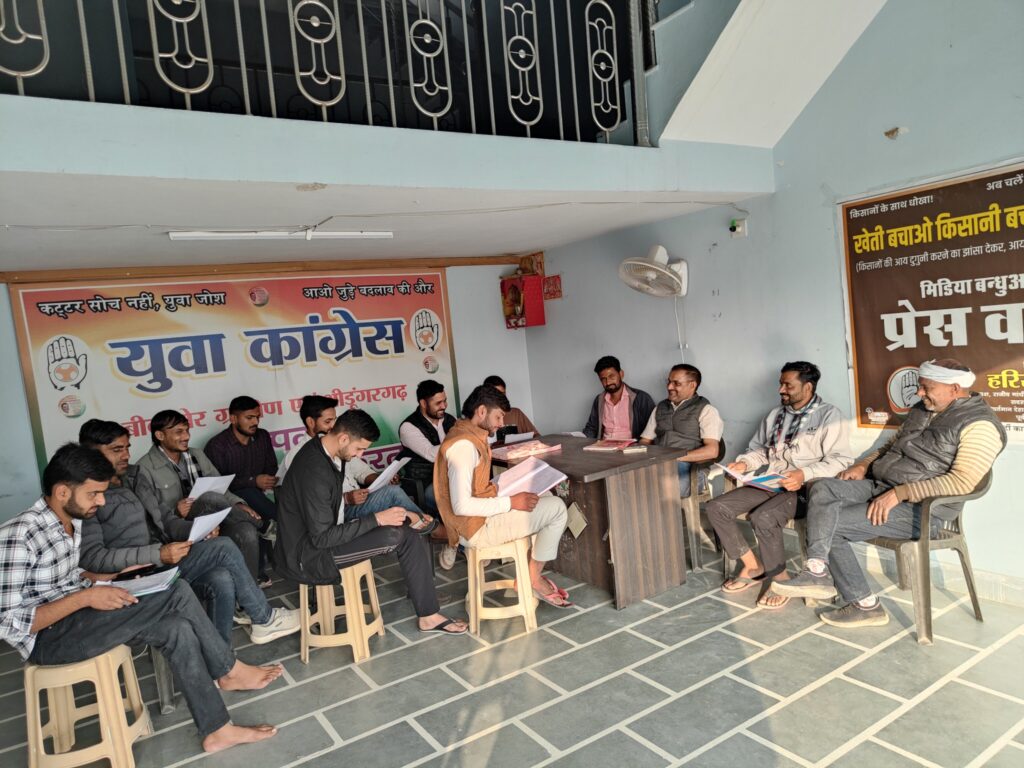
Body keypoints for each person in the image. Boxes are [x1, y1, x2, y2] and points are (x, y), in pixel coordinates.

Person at [0, 443, 284, 754]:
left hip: (80, 617)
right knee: (176, 591)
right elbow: (9, 623)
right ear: (62, 492)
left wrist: (107, 577)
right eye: (94, 494)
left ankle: (217, 729)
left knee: (176, 627)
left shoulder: (70, 521)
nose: (101, 501)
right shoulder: (19, 535)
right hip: (50, 640)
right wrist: (86, 598)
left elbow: (65, 579)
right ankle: (229, 669)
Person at [774, 359, 1006, 627]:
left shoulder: (980, 425)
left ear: (954, 389)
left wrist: (901, 493)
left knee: (831, 524)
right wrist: (863, 464)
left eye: (926, 387)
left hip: (924, 510)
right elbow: (891, 447)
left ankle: (865, 605)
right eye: (920, 386)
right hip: (881, 486)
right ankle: (817, 572)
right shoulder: (922, 410)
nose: (919, 392)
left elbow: (963, 482)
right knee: (822, 486)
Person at [77, 419, 300, 644]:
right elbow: (92, 557)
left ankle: (222, 656)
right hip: (135, 575)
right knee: (222, 545)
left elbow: (165, 519)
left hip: (166, 557)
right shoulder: (86, 496)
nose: (126, 455)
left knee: (221, 577)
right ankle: (263, 618)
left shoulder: (135, 476)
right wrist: (158, 554)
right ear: (90, 452)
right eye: (117, 450)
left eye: (127, 448)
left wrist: (196, 531)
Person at [275, 409, 467, 635]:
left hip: (327, 535)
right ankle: (429, 613)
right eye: (359, 449)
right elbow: (322, 538)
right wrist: (376, 519)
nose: (360, 455)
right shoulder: (314, 470)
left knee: (405, 529)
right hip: (308, 555)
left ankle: (428, 615)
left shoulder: (329, 452)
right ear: (343, 438)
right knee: (399, 535)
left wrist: (394, 517)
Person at [707, 362, 852, 609]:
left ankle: (781, 579)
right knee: (716, 507)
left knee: (764, 517)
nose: (781, 390)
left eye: (788, 385)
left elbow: (841, 461)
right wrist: (744, 463)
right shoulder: (775, 415)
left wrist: (804, 473)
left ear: (808, 387)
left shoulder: (829, 416)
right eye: (781, 384)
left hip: (806, 488)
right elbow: (760, 451)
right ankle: (753, 567)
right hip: (772, 482)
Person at [435, 385, 572, 608]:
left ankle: (528, 574)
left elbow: (476, 488)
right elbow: (461, 506)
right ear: (482, 411)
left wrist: (505, 487)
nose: (501, 424)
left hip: (478, 519)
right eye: (498, 417)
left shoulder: (466, 434)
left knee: (542, 494)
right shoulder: (463, 446)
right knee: (556, 508)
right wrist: (511, 502)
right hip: (474, 528)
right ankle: (533, 578)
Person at [136, 410, 267, 585]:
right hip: (180, 529)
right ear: (160, 435)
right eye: (179, 432)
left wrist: (238, 504)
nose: (186, 436)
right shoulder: (144, 468)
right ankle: (264, 526)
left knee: (246, 531)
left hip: (213, 524)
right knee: (210, 498)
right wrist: (175, 511)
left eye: (187, 430)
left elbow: (220, 487)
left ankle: (249, 589)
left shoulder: (196, 455)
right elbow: (149, 518)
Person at [278, 395, 434, 531]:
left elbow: (362, 472)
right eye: (327, 421)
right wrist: (346, 498)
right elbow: (313, 503)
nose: (333, 426)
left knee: (396, 501)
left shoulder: (341, 446)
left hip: (358, 501)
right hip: (337, 513)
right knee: (393, 495)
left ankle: (425, 528)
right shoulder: (302, 456)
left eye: (335, 420)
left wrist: (382, 479)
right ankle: (432, 530)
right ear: (310, 422)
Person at [205, 396, 280, 580]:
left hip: (258, 500)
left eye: (257, 417)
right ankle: (278, 522)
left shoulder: (262, 436)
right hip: (231, 504)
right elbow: (217, 486)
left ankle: (261, 570)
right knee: (248, 493)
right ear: (233, 418)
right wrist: (253, 481)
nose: (255, 422)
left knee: (256, 504)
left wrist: (268, 479)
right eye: (249, 418)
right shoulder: (217, 446)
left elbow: (271, 466)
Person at [638, 364, 724, 497]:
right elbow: (645, 441)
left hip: (691, 470)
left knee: (661, 488)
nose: (669, 387)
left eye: (676, 383)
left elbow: (712, 451)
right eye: (669, 382)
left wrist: (672, 458)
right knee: (628, 481)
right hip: (659, 465)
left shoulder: (706, 410)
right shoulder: (660, 408)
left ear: (692, 385)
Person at [398, 380, 458, 569]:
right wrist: (463, 440)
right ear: (423, 403)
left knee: (470, 490)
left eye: (445, 401)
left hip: (450, 477)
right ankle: (457, 541)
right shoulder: (408, 427)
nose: (444, 406)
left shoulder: (449, 420)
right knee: (453, 496)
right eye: (438, 403)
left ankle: (457, 540)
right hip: (424, 482)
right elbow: (432, 454)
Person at [582, 355, 656, 441]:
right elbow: (592, 428)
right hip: (603, 447)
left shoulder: (642, 398)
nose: (608, 382)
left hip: (631, 447)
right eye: (603, 379)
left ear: (621, 374)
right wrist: (579, 439)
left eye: (611, 376)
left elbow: (652, 430)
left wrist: (639, 445)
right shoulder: (599, 400)